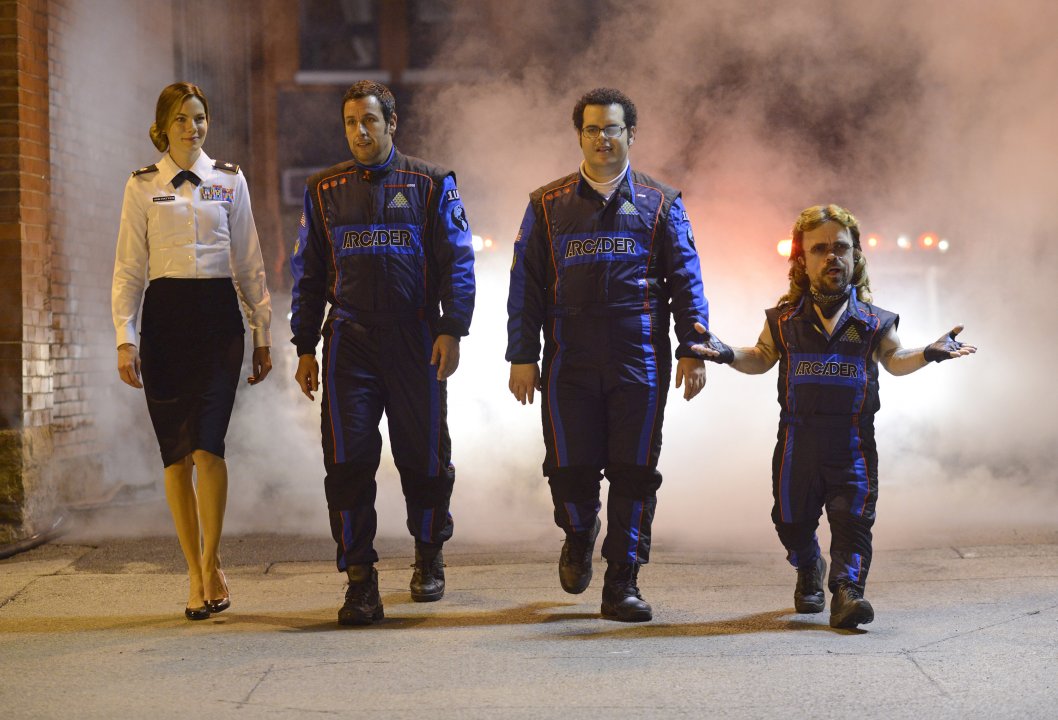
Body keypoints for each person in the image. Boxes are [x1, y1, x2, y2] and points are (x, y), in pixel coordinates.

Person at [692, 204, 976, 629]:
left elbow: (895, 360)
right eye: (820, 249)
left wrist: (929, 353)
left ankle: (847, 594)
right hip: (798, 441)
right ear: (801, 260)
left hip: (852, 442)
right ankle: (809, 565)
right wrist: (728, 353)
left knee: (853, 523)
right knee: (789, 522)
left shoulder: (874, 321)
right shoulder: (783, 320)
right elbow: (762, 357)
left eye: (840, 247)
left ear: (855, 255)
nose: (832, 257)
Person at [506, 87, 709, 623]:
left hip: (638, 358)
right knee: (568, 467)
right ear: (579, 135)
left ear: (630, 134)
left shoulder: (662, 202)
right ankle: (578, 532)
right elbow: (525, 284)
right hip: (568, 359)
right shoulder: (547, 204)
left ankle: (623, 580)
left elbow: (686, 278)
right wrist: (522, 354)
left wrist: (693, 349)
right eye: (592, 129)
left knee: (634, 471)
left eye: (612, 128)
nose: (602, 138)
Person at [290, 81, 475, 626]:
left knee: (424, 456)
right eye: (350, 122)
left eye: (369, 120)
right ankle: (360, 580)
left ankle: (428, 553)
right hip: (348, 341)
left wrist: (451, 329)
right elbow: (308, 274)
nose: (360, 131)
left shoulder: (431, 183)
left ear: (392, 123)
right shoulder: (324, 189)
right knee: (347, 462)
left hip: (415, 337)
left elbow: (457, 261)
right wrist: (304, 346)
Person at [112, 82, 273, 621]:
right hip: (165, 322)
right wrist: (126, 337)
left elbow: (249, 263)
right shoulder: (141, 185)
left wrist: (262, 333)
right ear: (163, 126)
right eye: (181, 119)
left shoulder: (230, 180)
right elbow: (129, 269)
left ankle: (210, 564)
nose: (192, 127)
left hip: (218, 322)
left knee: (209, 446)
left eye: (199, 117)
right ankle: (195, 569)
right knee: (176, 453)